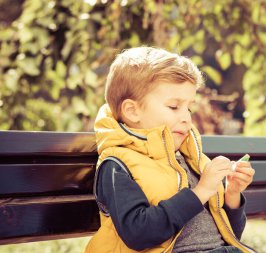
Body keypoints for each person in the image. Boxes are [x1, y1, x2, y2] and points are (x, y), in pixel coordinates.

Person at [84, 47, 255, 253]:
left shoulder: (190, 159)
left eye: (188, 107)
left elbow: (229, 236)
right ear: (132, 111)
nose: (186, 117)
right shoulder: (118, 165)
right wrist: (200, 192)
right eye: (174, 107)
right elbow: (138, 233)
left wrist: (231, 194)